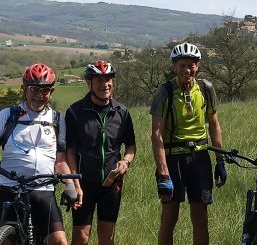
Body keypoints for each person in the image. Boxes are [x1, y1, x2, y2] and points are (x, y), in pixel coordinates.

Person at [150, 42, 226, 245]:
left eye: (191, 65)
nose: (187, 70)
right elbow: (156, 134)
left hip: (200, 157)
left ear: (197, 66)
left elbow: (214, 124)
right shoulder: (165, 92)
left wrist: (220, 159)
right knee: (170, 217)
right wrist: (163, 173)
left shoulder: (206, 88)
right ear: (174, 67)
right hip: (173, 158)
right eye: (182, 65)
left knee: (200, 218)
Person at [0, 63, 74, 244]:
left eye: (45, 90)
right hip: (9, 187)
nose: (39, 95)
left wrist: (70, 185)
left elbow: (60, 160)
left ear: (52, 91)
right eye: (34, 89)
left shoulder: (57, 120)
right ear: (24, 89)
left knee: (59, 241)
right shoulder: (8, 115)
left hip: (43, 189)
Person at [65, 60, 136, 245]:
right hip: (83, 183)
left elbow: (131, 146)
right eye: (99, 80)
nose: (104, 84)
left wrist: (126, 162)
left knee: (107, 237)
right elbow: (70, 151)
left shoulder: (122, 112)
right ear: (89, 83)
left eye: (108, 79)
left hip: (111, 184)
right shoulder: (75, 112)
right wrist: (74, 182)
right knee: (81, 237)